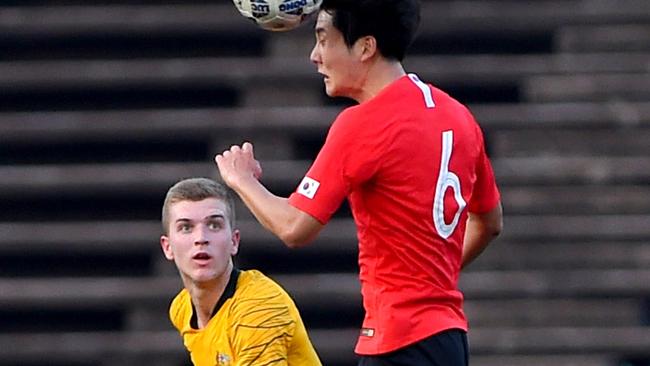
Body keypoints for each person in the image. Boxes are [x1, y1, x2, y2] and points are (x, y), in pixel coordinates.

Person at [215, 0, 503, 365]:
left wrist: (241, 180)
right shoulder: (459, 116)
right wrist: (430, 278)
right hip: (448, 340)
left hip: (398, 342)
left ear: (366, 47)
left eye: (323, 40)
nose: (315, 56)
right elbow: (490, 223)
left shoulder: (364, 123)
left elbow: (294, 227)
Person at [159, 177, 322, 366]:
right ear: (167, 247)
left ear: (234, 242)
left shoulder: (259, 307)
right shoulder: (182, 309)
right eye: (186, 227)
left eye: (214, 225)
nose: (201, 238)